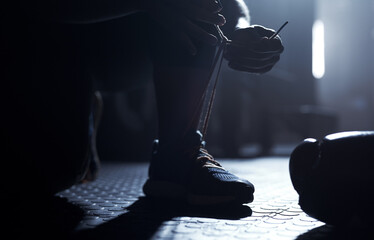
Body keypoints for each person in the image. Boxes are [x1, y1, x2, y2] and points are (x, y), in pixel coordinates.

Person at [1, 0, 284, 206]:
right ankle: (82, 98)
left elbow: (229, 5)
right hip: (45, 35)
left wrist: (239, 30)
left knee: (195, 6)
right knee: (46, 175)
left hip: (130, 40)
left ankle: (176, 155)